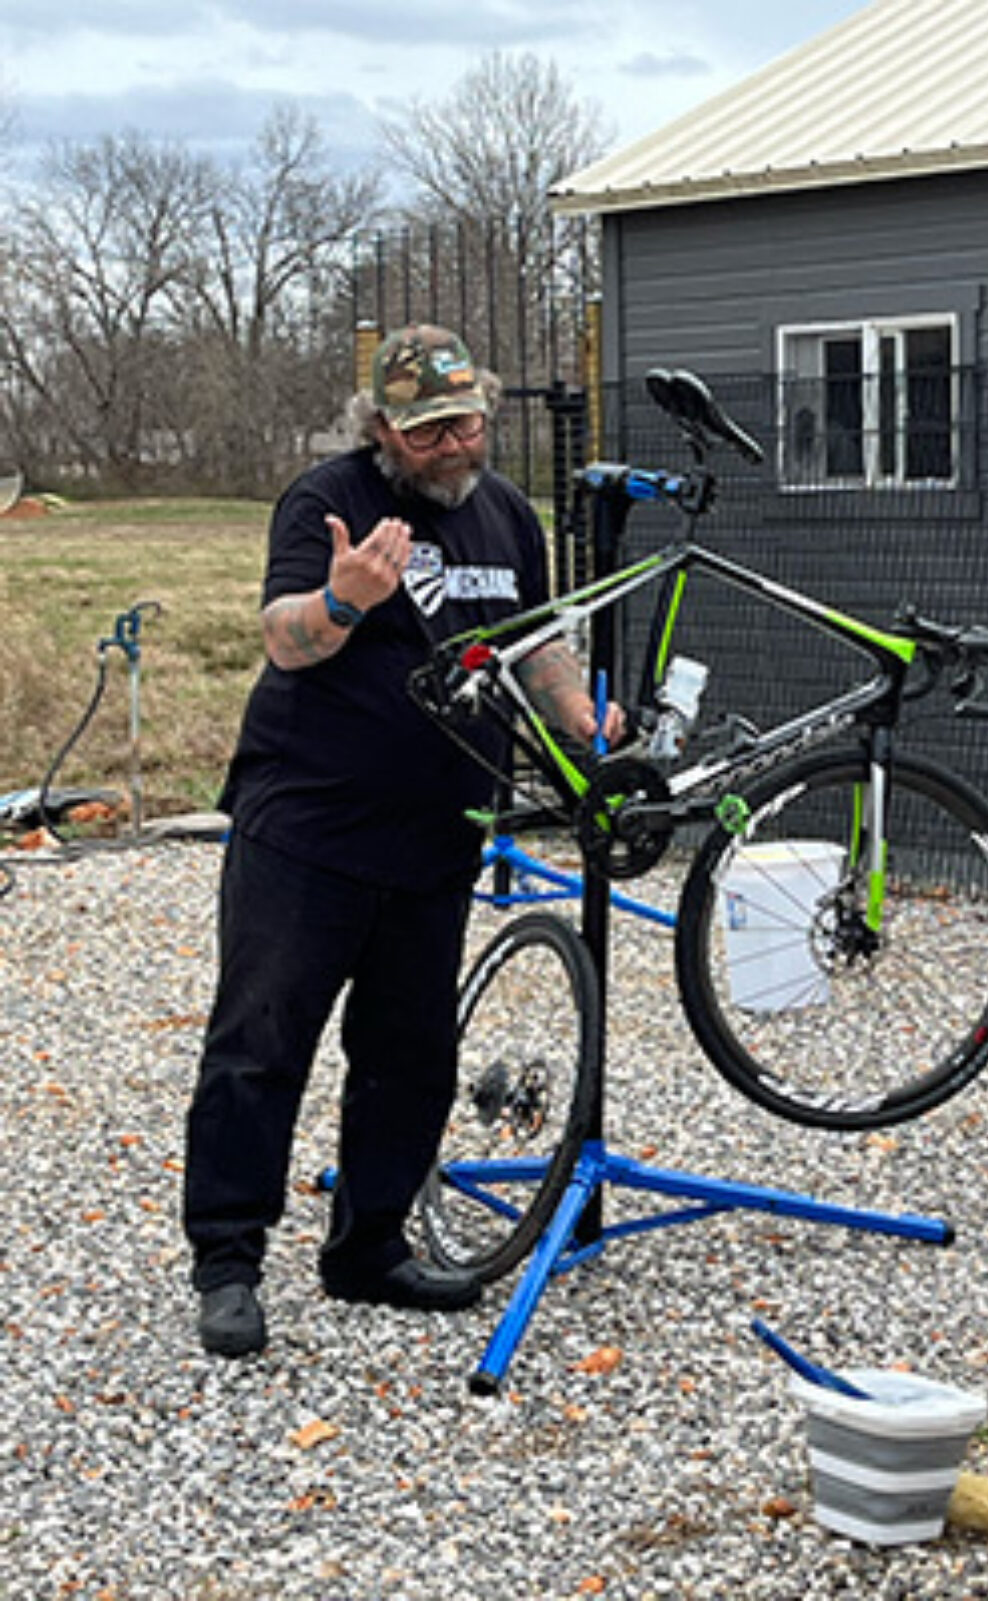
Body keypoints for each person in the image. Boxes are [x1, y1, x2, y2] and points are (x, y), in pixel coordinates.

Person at [184, 324, 620, 1358]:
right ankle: (229, 1261)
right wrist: (345, 598)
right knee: (261, 1042)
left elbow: (537, 642)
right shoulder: (326, 500)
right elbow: (283, 635)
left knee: (409, 1054)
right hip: (311, 824)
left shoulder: (507, 513)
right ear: (381, 427)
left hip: (439, 826)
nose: (456, 443)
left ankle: (368, 1246)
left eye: (469, 421)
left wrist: (587, 729)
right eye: (429, 430)